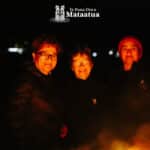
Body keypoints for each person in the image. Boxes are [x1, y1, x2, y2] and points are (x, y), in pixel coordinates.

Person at [6, 34, 67, 150]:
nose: (49, 58)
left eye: (53, 55)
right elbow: (14, 122)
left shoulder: (50, 78)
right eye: (44, 54)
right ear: (34, 56)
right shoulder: (25, 82)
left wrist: (60, 125)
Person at [107, 35, 150, 142]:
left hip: (144, 135)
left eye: (133, 49)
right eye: (125, 49)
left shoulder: (147, 75)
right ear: (120, 53)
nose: (129, 52)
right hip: (118, 135)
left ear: (139, 53)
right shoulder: (111, 77)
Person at [64, 48, 105, 149]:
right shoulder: (64, 91)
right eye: (77, 62)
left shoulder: (102, 89)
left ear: (91, 65)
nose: (82, 66)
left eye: (85, 62)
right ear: (72, 67)